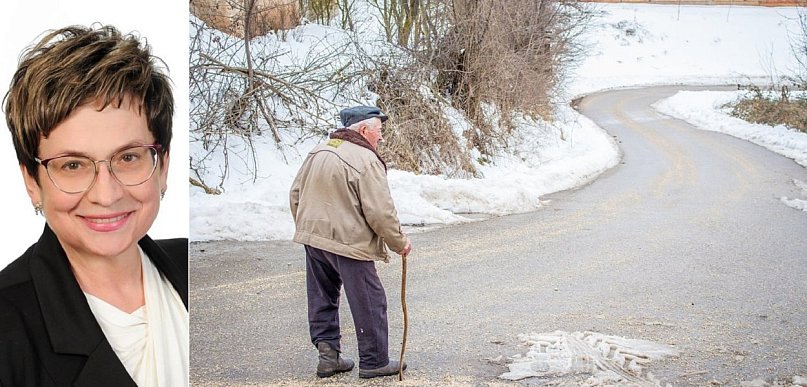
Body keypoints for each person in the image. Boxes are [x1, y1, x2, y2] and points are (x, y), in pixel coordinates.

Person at [0, 25, 188, 386]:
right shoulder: (7, 331)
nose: (107, 194)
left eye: (129, 157)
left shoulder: (187, 266)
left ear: (162, 167)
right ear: (31, 182)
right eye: (73, 165)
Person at [289, 105, 413, 379]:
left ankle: (328, 357)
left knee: (322, 297)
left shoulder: (319, 150)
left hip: (314, 237)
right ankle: (375, 361)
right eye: (379, 131)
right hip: (348, 241)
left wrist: (308, 226)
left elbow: (295, 193)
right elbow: (380, 211)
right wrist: (398, 242)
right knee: (370, 300)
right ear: (364, 129)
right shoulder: (365, 160)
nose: (381, 138)